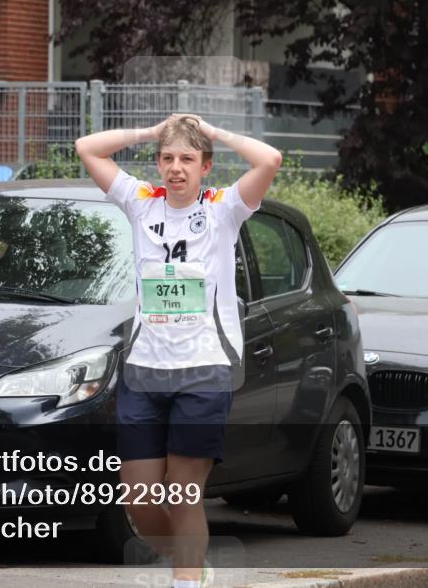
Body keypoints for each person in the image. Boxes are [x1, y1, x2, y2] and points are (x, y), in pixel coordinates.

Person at [75, 113, 282, 588]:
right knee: (140, 500)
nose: (176, 168)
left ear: (206, 166)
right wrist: (152, 131)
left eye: (187, 159)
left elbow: (270, 159)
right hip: (144, 372)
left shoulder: (224, 209)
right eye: (167, 159)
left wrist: (215, 131)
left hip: (203, 372)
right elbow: (88, 147)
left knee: (183, 494)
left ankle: (187, 578)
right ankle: (190, 560)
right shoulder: (140, 202)